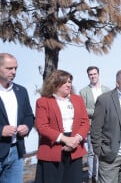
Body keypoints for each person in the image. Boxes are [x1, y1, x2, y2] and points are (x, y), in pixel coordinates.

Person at [35, 69, 90, 183]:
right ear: (54, 83)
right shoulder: (43, 101)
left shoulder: (78, 99)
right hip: (52, 148)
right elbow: (42, 126)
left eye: (69, 82)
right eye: (64, 82)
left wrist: (76, 139)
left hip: (75, 147)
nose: (68, 84)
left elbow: (84, 122)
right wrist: (65, 139)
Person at [0, 53, 34, 183]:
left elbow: (29, 115)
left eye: (16, 68)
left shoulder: (21, 91)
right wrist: (1, 130)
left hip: (16, 152)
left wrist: (27, 126)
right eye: (9, 68)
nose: (13, 72)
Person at [79, 66, 110, 183]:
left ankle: (103, 175)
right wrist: (98, 112)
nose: (93, 76)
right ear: (88, 76)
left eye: (94, 74)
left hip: (106, 126)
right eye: (90, 74)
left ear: (98, 74)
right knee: (92, 152)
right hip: (92, 126)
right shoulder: (83, 92)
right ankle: (93, 178)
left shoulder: (107, 90)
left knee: (105, 150)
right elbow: (82, 109)